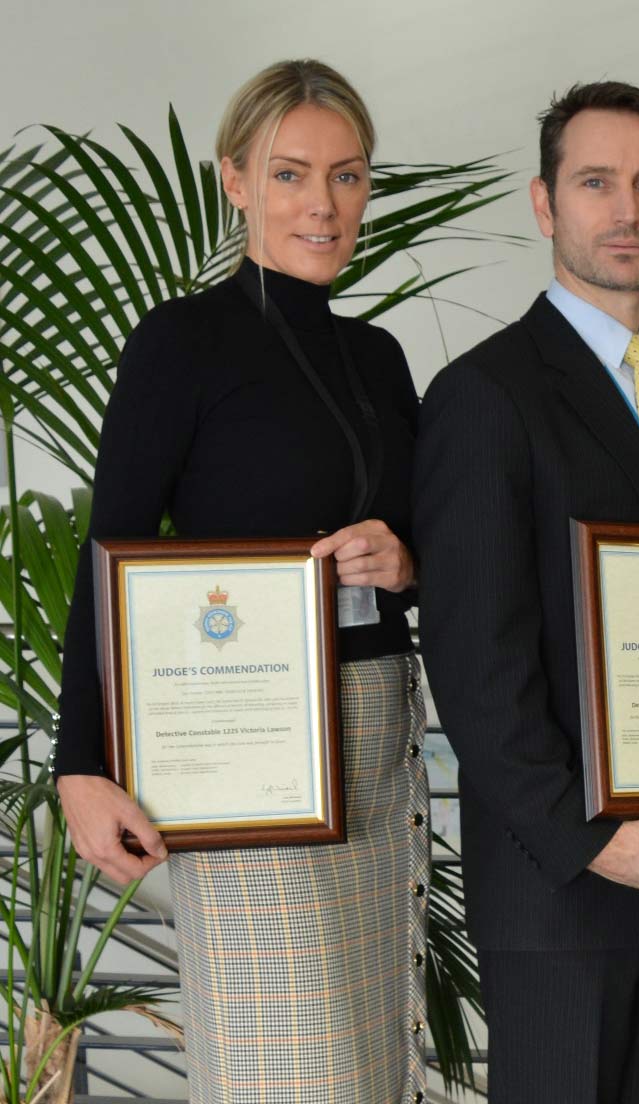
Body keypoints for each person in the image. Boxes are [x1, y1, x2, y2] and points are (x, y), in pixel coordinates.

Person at [52, 59, 429, 1102]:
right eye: (291, 173)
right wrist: (79, 765)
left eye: (348, 177)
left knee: (370, 1062)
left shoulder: (381, 357)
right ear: (234, 179)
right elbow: (110, 546)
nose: (323, 204)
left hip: (378, 741)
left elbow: (432, 546)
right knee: (286, 1065)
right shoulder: (181, 344)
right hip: (248, 751)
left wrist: (406, 562)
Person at [412, 81, 639, 1104]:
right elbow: (473, 661)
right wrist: (589, 840)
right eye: (594, 183)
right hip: (561, 889)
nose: (624, 209)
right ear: (545, 205)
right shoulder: (483, 397)